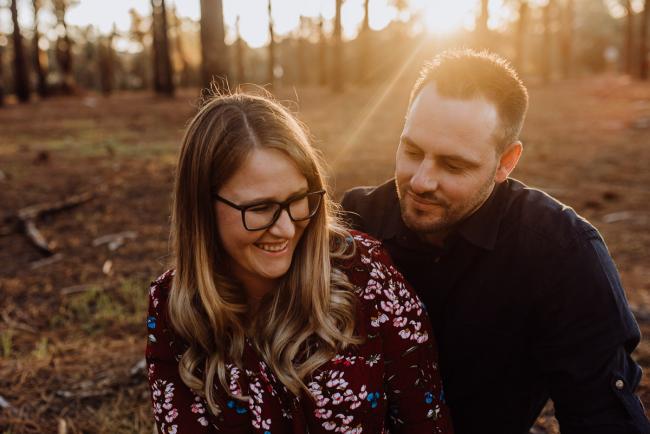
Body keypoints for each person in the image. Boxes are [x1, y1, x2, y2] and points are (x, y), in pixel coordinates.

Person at [342, 49, 650, 434]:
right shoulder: (356, 221)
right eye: (412, 151)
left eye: (453, 165)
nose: (421, 180)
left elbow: (603, 415)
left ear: (506, 162)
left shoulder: (560, 252)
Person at [145, 91, 454, 434]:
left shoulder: (365, 273)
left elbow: (424, 421)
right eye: (259, 208)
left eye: (297, 200)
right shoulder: (174, 305)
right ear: (202, 207)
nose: (286, 228)